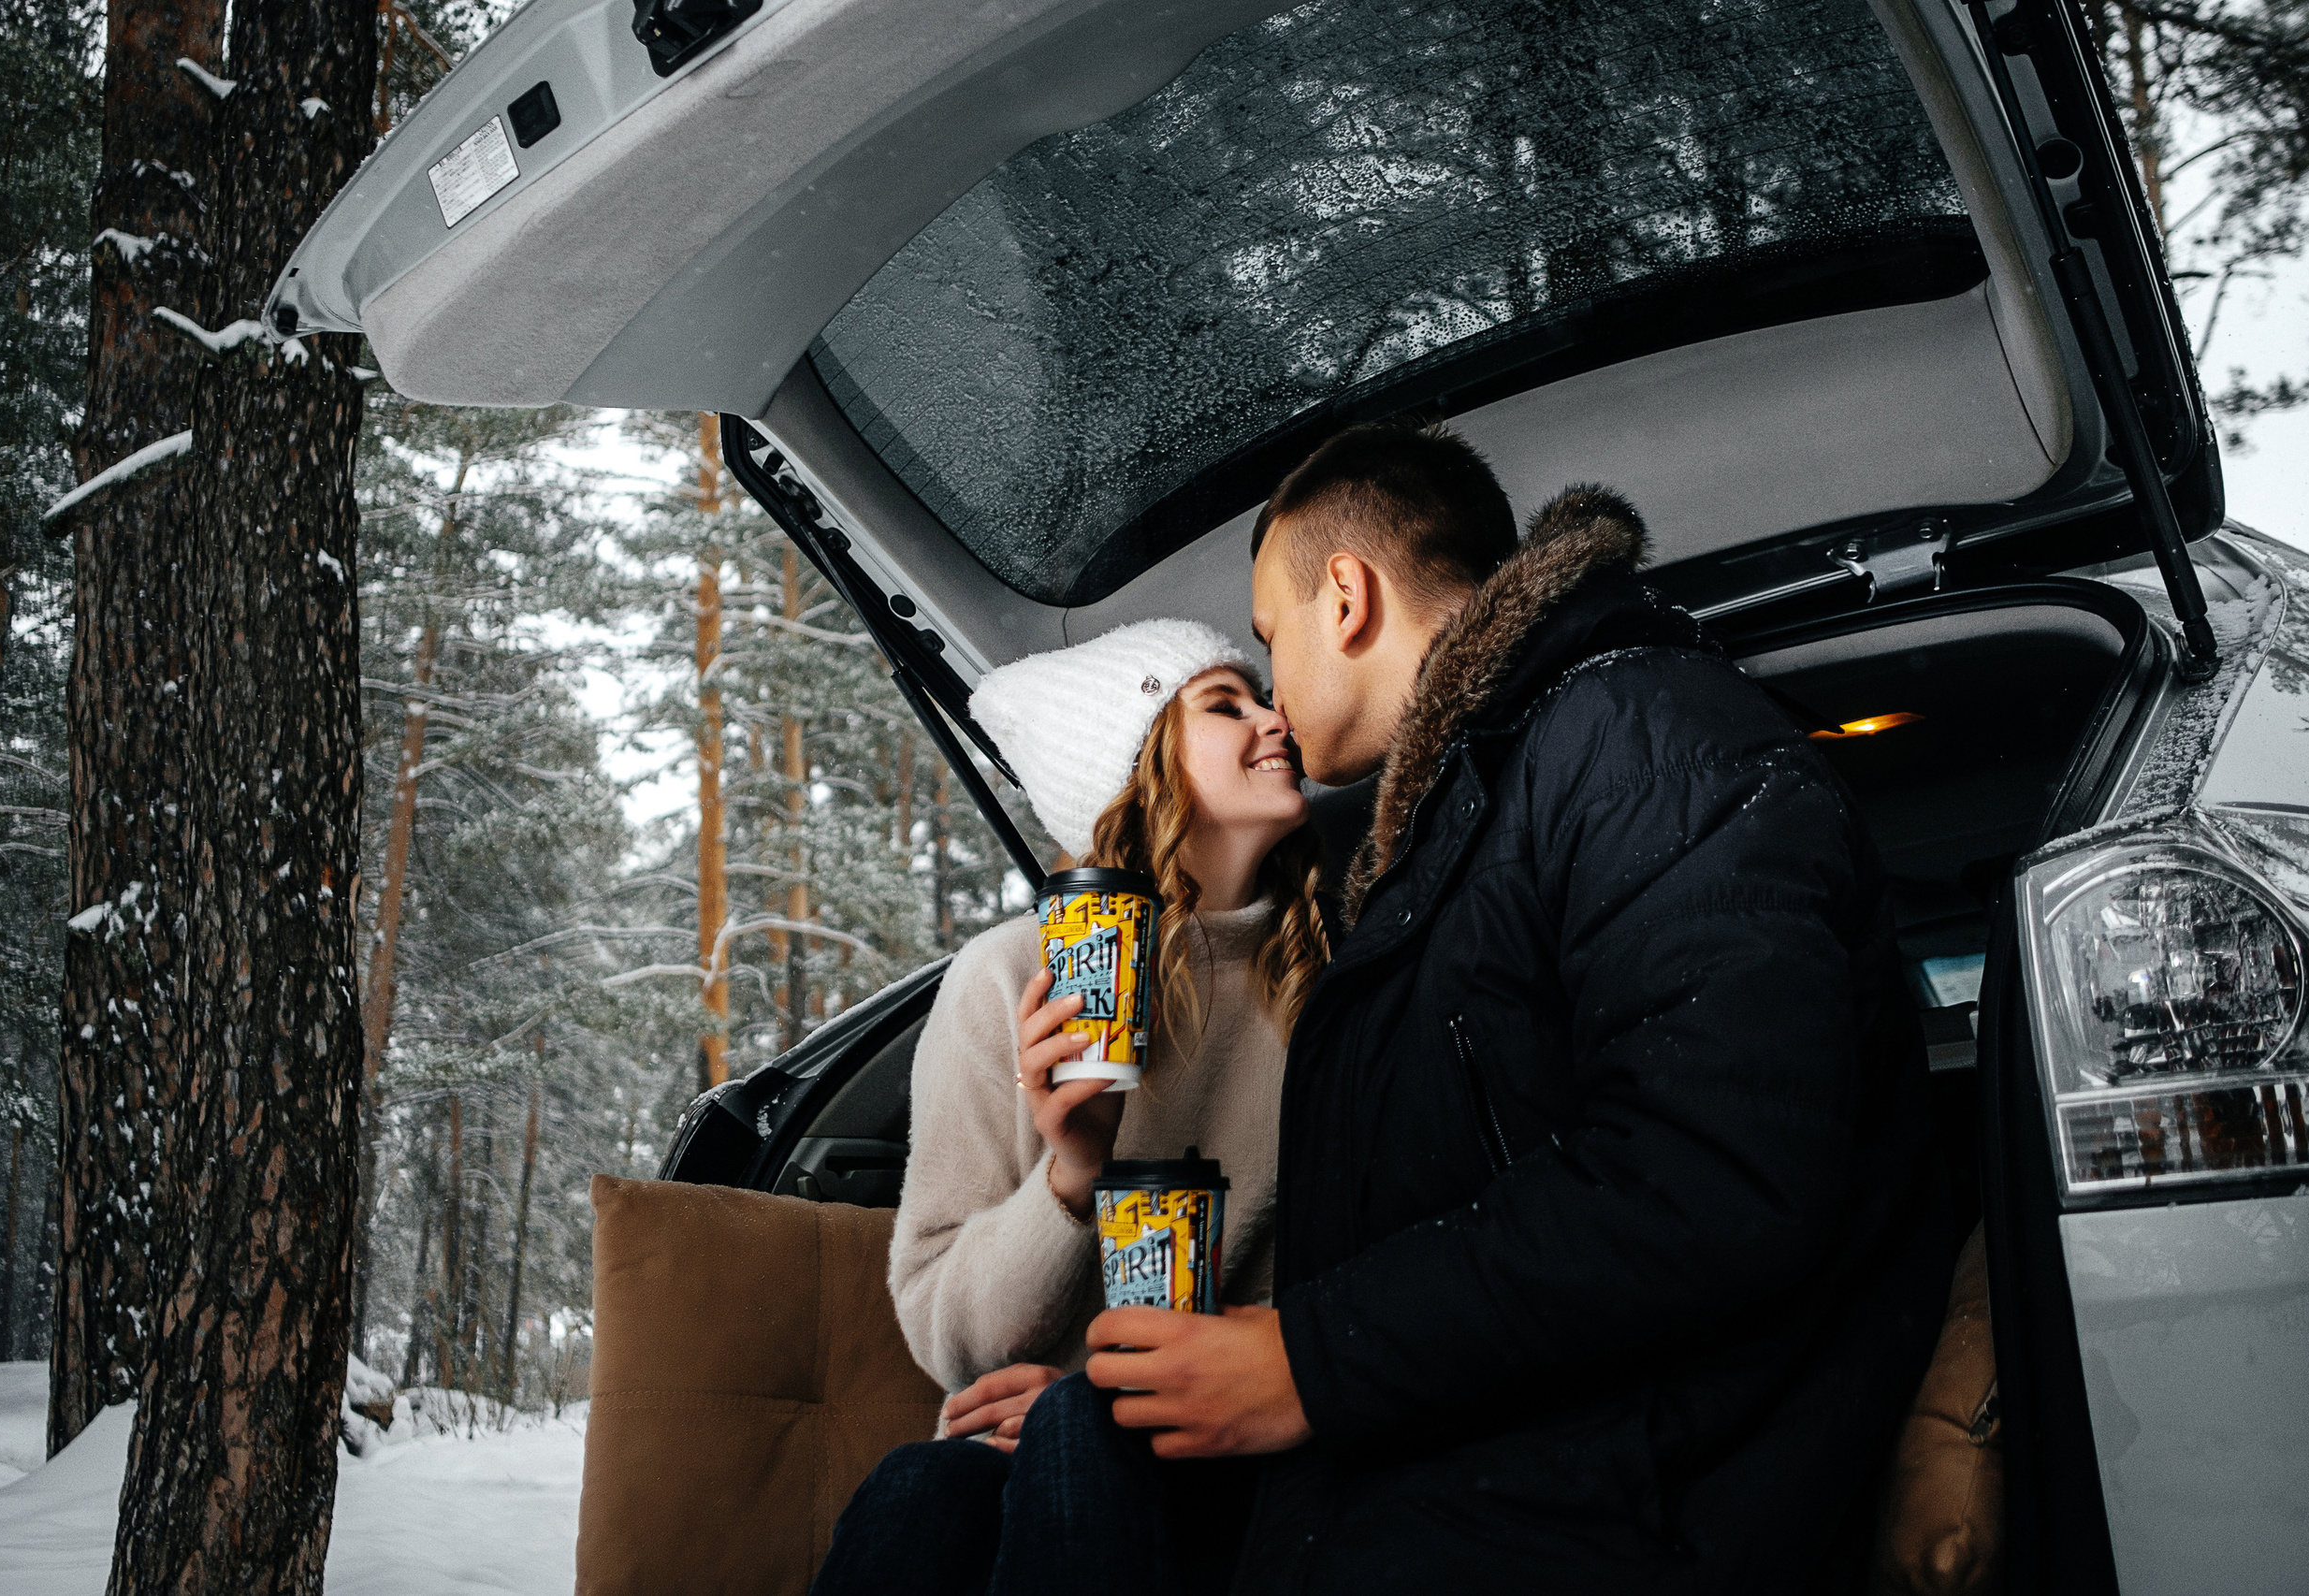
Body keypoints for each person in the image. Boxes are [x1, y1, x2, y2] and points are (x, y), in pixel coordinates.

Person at [1077, 423, 1952, 1594]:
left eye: (1269, 641)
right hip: (1471, 1488)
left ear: (1346, 596)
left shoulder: (1644, 742)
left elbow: (1708, 1171)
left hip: (1618, 1518)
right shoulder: (1474, 815)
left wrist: (1310, 1359)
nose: (1276, 690)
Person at [809, 618, 1331, 1596]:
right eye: (1228, 705)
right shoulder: (1010, 979)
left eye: (1261, 698)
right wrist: (1071, 1175)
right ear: (1137, 772)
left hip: (1242, 1456)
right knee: (920, 1484)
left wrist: (1117, 1393)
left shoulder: (1329, 986)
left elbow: (1356, 1288)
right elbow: (949, 1338)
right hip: (1010, 1454)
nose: (1278, 721)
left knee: (1080, 1423)